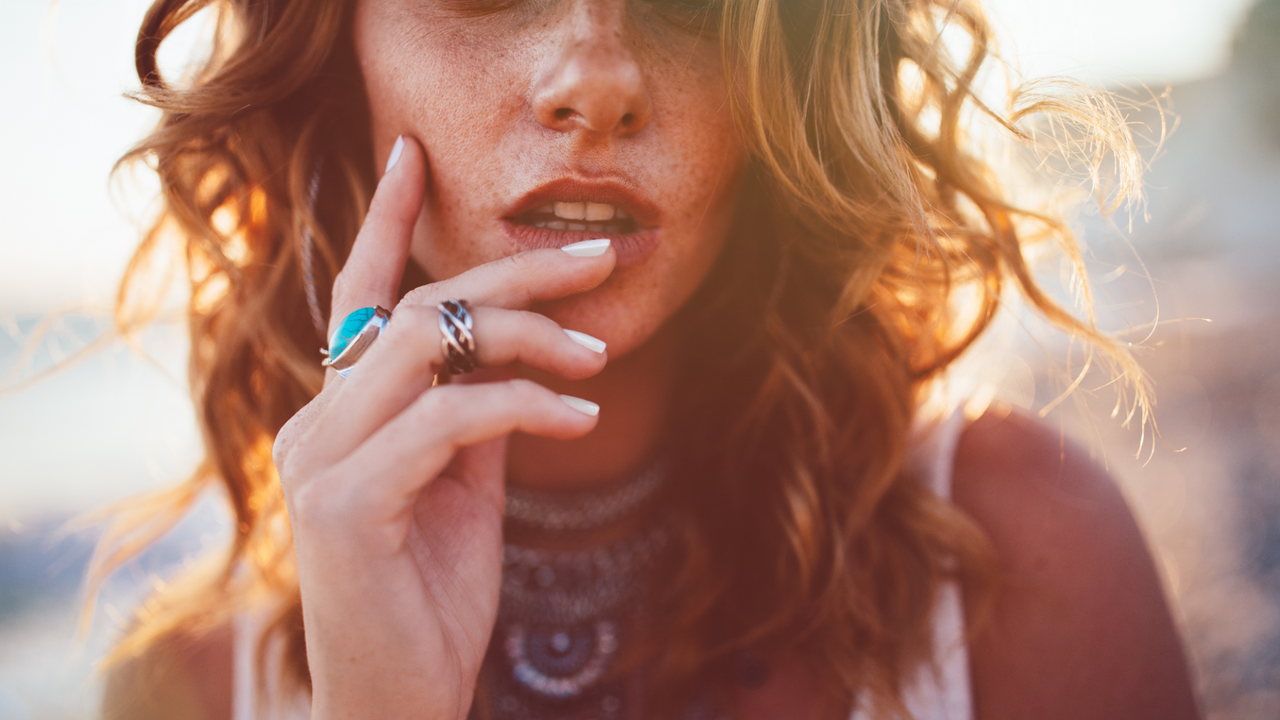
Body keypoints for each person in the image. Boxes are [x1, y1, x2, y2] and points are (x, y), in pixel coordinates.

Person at [96, 0, 1200, 718]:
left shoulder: (1021, 561)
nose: (595, 77)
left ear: (789, 91)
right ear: (336, 55)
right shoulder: (181, 687)